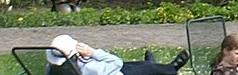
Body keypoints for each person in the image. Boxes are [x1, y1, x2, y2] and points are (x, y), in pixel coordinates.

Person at [46, 37, 187, 75]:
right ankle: (171, 68)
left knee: (137, 65)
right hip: (116, 72)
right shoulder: (90, 68)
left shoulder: (51, 69)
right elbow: (117, 63)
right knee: (138, 67)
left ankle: (150, 65)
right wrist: (92, 52)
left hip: (109, 71)